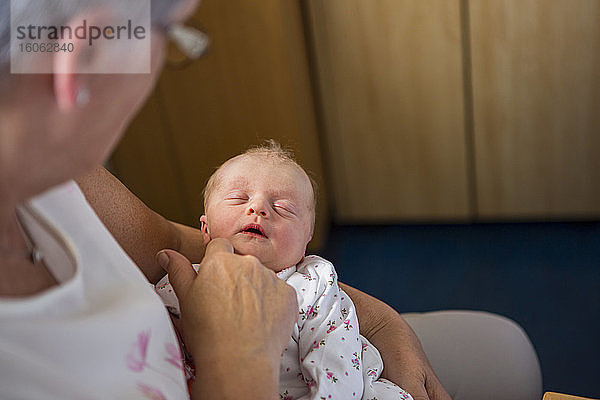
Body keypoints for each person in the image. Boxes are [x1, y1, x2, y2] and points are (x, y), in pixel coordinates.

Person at [0, 0, 542, 399]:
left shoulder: (64, 188)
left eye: (283, 208)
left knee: (509, 354)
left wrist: (384, 326)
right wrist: (237, 362)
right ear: (78, 60)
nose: (257, 211)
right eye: (175, 38)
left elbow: (171, 242)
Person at [155, 142, 413, 400]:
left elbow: (336, 364)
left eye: (284, 208)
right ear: (205, 229)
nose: (257, 208)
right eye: (238, 198)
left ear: (305, 243)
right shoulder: (181, 283)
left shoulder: (315, 284)